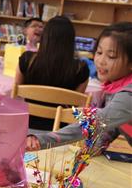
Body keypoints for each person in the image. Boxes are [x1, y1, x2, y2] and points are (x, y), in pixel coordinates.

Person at [27, 22, 132, 151]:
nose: (101, 61)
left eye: (111, 56)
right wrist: (97, 145)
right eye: (99, 52)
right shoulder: (115, 86)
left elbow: (96, 122)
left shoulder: (128, 95)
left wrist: (41, 140)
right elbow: (114, 124)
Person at [15, 15, 90, 131]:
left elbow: (16, 93)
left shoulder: (27, 59)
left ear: (45, 36)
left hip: (24, 126)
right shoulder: (81, 69)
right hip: (59, 131)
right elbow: (75, 106)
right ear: (71, 40)